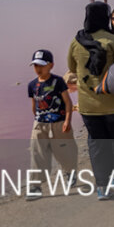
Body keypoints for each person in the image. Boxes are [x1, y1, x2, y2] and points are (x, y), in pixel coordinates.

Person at [68, 1, 114, 199]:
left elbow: (72, 68)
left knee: (97, 145)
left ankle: (102, 187)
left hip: (88, 106)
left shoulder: (76, 41)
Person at [26, 48, 76, 200]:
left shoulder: (58, 81)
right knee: (37, 154)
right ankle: (35, 187)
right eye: (35, 65)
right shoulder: (32, 85)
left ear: (51, 65)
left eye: (41, 65)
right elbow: (34, 105)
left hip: (59, 123)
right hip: (40, 125)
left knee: (64, 152)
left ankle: (70, 173)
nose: (38, 69)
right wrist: (38, 121)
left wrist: (67, 120)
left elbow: (67, 102)